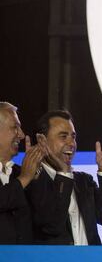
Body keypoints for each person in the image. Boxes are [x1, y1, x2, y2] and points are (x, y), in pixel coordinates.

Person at [26, 110, 102, 245]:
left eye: (73, 137)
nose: (71, 143)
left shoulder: (84, 181)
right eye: (63, 136)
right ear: (41, 140)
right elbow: (51, 225)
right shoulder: (30, 181)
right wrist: (64, 173)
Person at [0, 102, 43, 244]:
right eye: (15, 127)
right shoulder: (24, 176)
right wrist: (24, 179)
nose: (22, 134)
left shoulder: (25, 173)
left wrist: (36, 179)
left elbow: (49, 222)